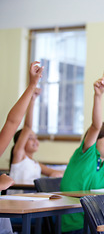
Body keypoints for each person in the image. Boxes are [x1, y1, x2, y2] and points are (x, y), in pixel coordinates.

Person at [60, 69, 104, 233]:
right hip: (74, 224)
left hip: (96, 224)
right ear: (94, 140)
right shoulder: (86, 154)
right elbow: (96, 126)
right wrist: (98, 96)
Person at [0, 61, 42, 234]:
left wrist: (32, 85)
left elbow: (12, 121)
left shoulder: (33, 162)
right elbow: (18, 124)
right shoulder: (19, 153)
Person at [9, 88, 64, 185]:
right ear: (20, 142)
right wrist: (32, 100)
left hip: (33, 197)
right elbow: (27, 127)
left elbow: (53, 172)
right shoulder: (19, 155)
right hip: (19, 197)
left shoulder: (35, 163)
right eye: (30, 138)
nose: (35, 141)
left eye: (36, 138)